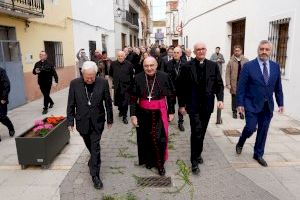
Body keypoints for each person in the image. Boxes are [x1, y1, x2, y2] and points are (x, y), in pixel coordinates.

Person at [177, 42, 224, 175]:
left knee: (202, 132)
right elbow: (180, 87)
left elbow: (219, 84)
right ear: (194, 51)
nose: (201, 51)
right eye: (198, 49)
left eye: (203, 49)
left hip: (208, 105)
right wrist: (181, 105)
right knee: (196, 131)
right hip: (193, 105)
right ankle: (194, 161)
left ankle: (198, 154)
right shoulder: (186, 66)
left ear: (206, 50)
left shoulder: (213, 66)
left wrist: (220, 99)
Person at [235, 40, 284, 167]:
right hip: (251, 103)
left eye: (267, 49)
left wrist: (280, 103)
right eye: (261, 49)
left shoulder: (275, 66)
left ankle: (258, 154)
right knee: (250, 127)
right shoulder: (249, 66)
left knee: (263, 130)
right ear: (258, 50)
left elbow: (278, 87)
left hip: (267, 106)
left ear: (270, 51)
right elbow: (241, 87)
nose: (264, 51)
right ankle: (241, 141)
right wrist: (240, 103)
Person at [67, 61, 113, 189]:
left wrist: (110, 119)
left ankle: (95, 176)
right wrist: (70, 121)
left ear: (96, 74)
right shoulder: (74, 84)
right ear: (82, 74)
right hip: (82, 122)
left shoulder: (102, 82)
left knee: (95, 146)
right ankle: (93, 158)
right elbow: (71, 104)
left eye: (92, 76)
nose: (90, 79)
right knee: (89, 143)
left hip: (97, 121)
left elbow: (108, 102)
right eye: (87, 77)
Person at [130, 57, 175, 176]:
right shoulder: (138, 77)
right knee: (145, 138)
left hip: (159, 112)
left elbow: (170, 95)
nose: (149, 68)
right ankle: (149, 161)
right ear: (143, 66)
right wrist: (133, 115)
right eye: (146, 66)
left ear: (156, 65)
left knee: (159, 139)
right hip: (143, 112)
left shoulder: (164, 76)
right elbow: (133, 98)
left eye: (152, 65)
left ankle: (160, 165)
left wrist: (171, 111)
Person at [109, 51, 134, 124]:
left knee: (125, 101)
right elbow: (110, 74)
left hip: (126, 86)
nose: (120, 57)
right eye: (119, 56)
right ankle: (120, 110)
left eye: (121, 56)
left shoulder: (129, 64)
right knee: (119, 101)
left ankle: (125, 116)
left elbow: (132, 75)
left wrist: (131, 86)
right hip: (117, 86)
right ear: (117, 56)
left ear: (124, 56)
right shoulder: (113, 64)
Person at [164, 47, 185, 131]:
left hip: (181, 89)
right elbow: (165, 77)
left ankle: (180, 122)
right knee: (171, 103)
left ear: (180, 54)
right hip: (171, 88)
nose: (175, 54)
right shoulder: (168, 64)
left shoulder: (185, 63)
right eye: (174, 52)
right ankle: (170, 116)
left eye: (177, 52)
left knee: (181, 105)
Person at [225, 45, 249, 119]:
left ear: (241, 51)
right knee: (234, 99)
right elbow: (227, 74)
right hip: (234, 83)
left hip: (243, 83)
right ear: (234, 51)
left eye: (238, 50)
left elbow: (249, 72)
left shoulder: (246, 61)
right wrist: (228, 84)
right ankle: (234, 112)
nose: (237, 52)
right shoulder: (230, 61)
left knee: (242, 98)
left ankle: (241, 112)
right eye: (235, 50)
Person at [0, 67, 15, 141]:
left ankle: (10, 128)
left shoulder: (1, 71)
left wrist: (4, 98)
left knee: (2, 116)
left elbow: (6, 85)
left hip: (1, 99)